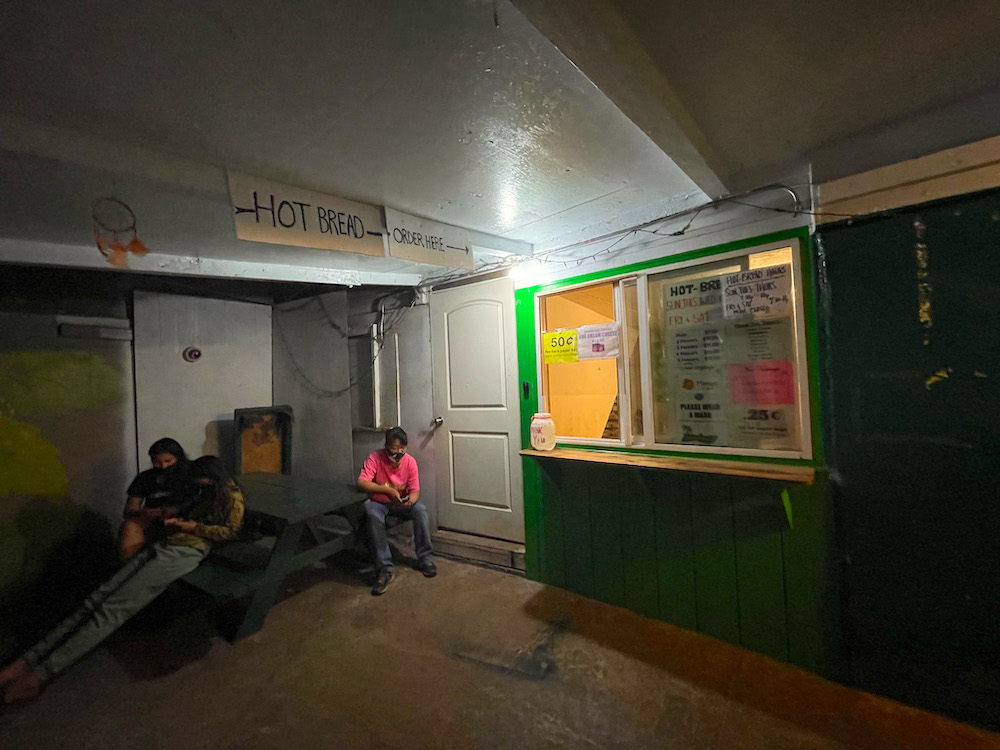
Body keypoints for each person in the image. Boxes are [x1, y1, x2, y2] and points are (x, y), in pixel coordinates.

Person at [0, 455, 244, 704]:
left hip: (186, 550)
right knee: (96, 600)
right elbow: (174, 506)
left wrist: (192, 527)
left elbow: (230, 531)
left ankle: (39, 674)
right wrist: (169, 516)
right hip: (168, 541)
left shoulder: (230, 496)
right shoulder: (196, 487)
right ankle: (26, 661)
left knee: (111, 611)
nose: (163, 468)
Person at [358, 426, 436, 595]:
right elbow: (362, 482)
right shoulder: (375, 458)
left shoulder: (410, 462)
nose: (398, 453)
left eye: (402, 449)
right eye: (394, 449)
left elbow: (415, 490)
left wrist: (410, 502)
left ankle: (426, 559)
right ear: (386, 446)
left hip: (401, 503)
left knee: (420, 510)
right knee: (370, 513)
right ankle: (385, 568)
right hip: (379, 502)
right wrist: (387, 491)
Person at [119, 438, 194, 559]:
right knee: (130, 526)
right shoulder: (145, 478)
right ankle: (130, 565)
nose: (163, 466)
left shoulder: (192, 472)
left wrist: (177, 509)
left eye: (168, 461)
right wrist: (144, 512)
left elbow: (203, 500)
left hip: (185, 520)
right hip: (154, 521)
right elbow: (130, 510)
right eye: (157, 462)